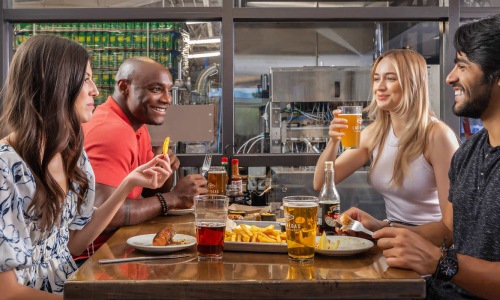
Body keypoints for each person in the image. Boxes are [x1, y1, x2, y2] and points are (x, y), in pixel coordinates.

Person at [0, 35, 172, 298]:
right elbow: (8, 293)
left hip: (72, 286)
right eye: (86, 79)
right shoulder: (6, 168)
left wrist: (129, 183)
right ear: (55, 85)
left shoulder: (71, 152)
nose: (95, 90)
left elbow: (73, 244)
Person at [344, 14, 500, 299]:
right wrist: (382, 230)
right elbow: (448, 230)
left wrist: (442, 264)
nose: (450, 77)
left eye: (462, 66)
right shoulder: (469, 152)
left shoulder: (440, 137)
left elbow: (445, 259)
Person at [78, 57, 207, 262]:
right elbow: (107, 215)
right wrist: (174, 198)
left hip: (116, 245)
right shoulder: (113, 131)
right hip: (93, 258)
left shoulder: (136, 126)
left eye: (169, 90)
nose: (167, 99)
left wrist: (163, 169)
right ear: (124, 87)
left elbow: (148, 193)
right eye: (156, 89)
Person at [314, 49, 459, 228]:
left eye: (390, 78)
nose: (380, 87)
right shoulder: (376, 133)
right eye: (376, 78)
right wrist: (334, 141)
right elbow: (320, 182)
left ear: (412, 83)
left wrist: (389, 232)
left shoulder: (438, 136)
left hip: (429, 248)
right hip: (394, 241)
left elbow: (451, 227)